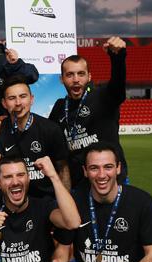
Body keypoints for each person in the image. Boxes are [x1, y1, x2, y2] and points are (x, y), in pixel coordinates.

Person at [0, 156, 80, 262]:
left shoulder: (43, 206)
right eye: (8, 177)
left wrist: (53, 176)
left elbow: (73, 222)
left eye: (20, 175)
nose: (15, 182)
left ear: (28, 178)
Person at [48, 36, 129, 188]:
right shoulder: (59, 107)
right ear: (62, 79)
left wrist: (118, 57)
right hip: (78, 187)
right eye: (70, 75)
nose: (76, 79)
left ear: (89, 76)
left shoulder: (104, 96)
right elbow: (48, 137)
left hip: (110, 181)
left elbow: (118, 84)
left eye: (81, 73)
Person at [0, 75, 70, 198]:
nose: (18, 103)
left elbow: (63, 169)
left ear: (31, 99)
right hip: (13, 201)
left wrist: (64, 200)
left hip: (47, 200)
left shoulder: (51, 129)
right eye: (12, 98)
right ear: (4, 103)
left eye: (23, 96)